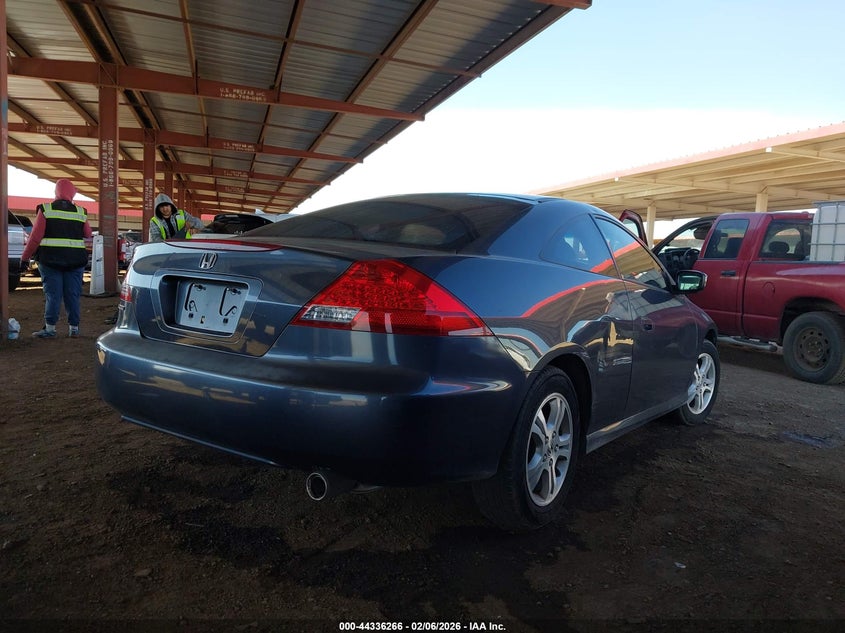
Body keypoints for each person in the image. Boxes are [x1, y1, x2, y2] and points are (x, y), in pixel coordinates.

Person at [22, 178, 93, 338]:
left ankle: (50, 329)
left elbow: (35, 238)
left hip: (49, 261)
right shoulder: (81, 212)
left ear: (56, 192)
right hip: (75, 262)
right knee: (73, 294)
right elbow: (88, 235)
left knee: (53, 295)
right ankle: (74, 329)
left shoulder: (46, 209)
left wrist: (25, 258)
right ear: (72, 193)